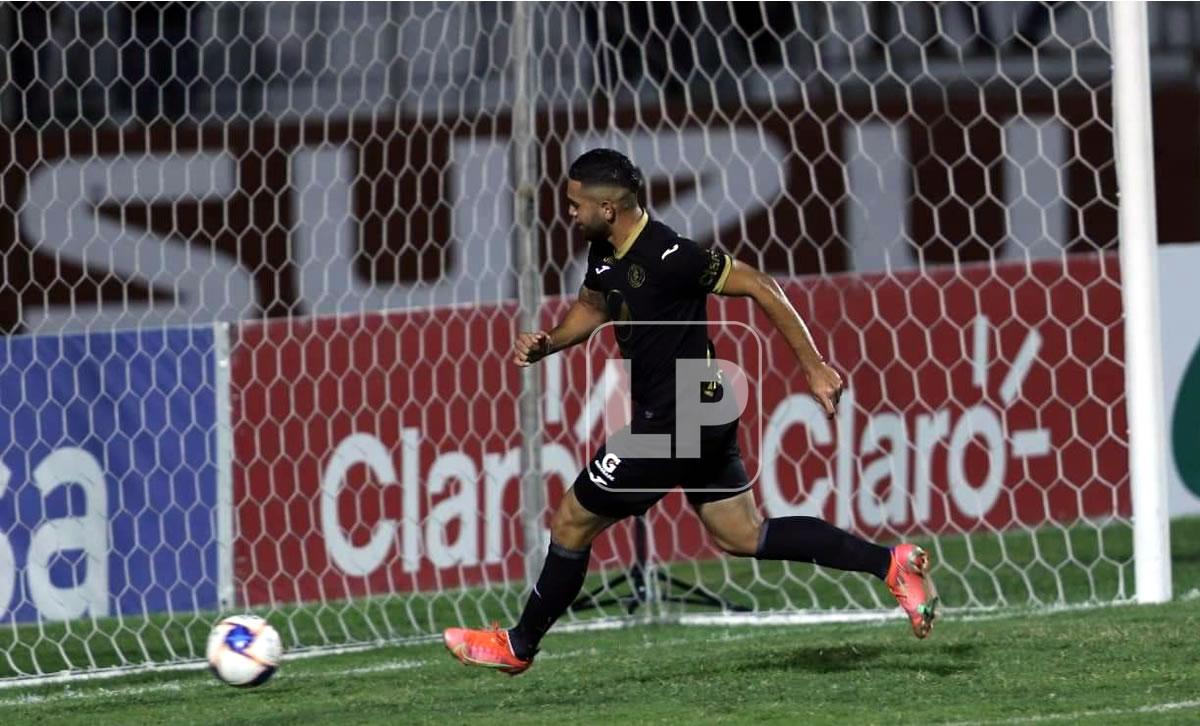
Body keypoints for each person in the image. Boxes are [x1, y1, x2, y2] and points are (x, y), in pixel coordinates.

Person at [443, 149, 937, 676]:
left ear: (608, 208)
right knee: (742, 535)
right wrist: (550, 343)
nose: (568, 212)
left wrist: (814, 368)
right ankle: (890, 564)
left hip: (678, 417)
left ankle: (518, 645)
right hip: (703, 406)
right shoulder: (604, 251)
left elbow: (759, 285)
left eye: (574, 204)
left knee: (571, 519)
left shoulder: (670, 255)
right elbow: (594, 306)